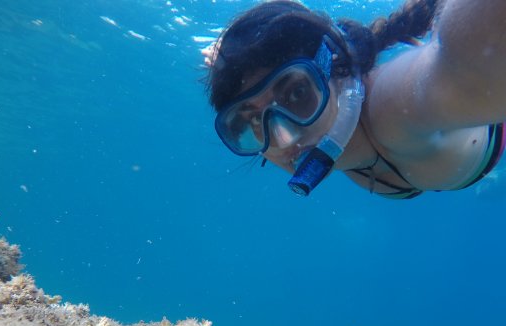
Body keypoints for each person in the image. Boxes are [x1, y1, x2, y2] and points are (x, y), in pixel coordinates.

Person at [205, 0, 506, 198]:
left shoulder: (392, 108)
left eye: (296, 93)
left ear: (335, 71)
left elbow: (470, 59)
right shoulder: (326, 124)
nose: (284, 139)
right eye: (251, 119)